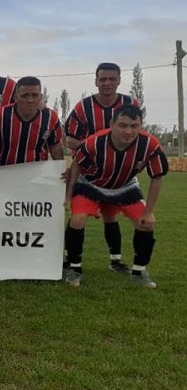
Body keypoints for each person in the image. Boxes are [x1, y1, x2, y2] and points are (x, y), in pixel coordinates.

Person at [63, 105, 167, 289]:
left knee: (147, 223)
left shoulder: (150, 145)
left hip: (125, 185)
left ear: (141, 125)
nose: (129, 131)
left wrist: (148, 212)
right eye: (123, 125)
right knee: (77, 219)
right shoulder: (95, 142)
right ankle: (74, 268)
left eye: (134, 126)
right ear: (112, 124)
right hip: (91, 184)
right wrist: (69, 195)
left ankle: (138, 271)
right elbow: (77, 165)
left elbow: (157, 177)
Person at [64, 62, 139, 274]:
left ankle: (115, 261)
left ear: (119, 80)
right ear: (96, 81)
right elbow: (70, 140)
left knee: (110, 216)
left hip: (119, 175)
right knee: (78, 217)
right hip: (89, 174)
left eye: (111, 79)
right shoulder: (83, 107)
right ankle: (71, 260)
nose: (107, 83)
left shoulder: (130, 103)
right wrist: (96, 146)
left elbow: (136, 133)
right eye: (102, 79)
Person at [0, 76, 64, 165]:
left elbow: (55, 147)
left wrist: (60, 168)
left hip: (36, 172)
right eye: (25, 96)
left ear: (41, 97)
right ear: (16, 97)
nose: (30, 100)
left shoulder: (50, 118)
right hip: (2, 171)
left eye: (35, 95)